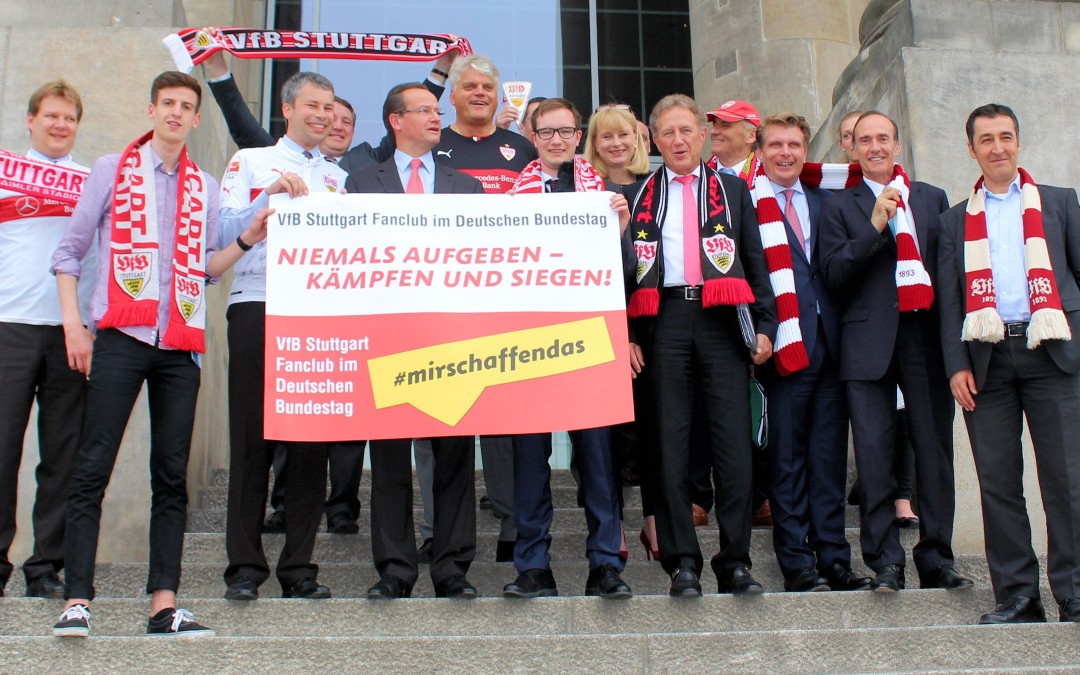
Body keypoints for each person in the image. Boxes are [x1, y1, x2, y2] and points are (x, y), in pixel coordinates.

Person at [50, 70, 266, 637]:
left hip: (180, 347)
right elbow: (69, 253)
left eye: (185, 105)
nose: (175, 112)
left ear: (197, 119)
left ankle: (162, 606)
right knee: (92, 466)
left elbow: (210, 265)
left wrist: (252, 233)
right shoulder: (110, 171)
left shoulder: (207, 186)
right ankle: (77, 599)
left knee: (171, 476)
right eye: (167, 103)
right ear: (151, 111)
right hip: (121, 337)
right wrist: (75, 325)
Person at [626, 94, 777, 597]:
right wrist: (626, 335)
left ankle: (734, 561)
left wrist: (765, 325)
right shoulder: (638, 194)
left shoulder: (732, 191)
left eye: (686, 130)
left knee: (733, 446)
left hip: (721, 319)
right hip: (663, 320)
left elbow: (756, 263)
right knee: (669, 446)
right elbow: (622, 276)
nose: (678, 140)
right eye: (667, 133)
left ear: (702, 135)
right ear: (654, 140)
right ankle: (681, 562)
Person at [818, 110, 972, 593]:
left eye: (883, 138)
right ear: (853, 150)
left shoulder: (931, 198)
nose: (876, 147)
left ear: (897, 145)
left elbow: (947, 272)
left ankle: (936, 558)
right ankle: (886, 560)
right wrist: (875, 225)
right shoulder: (838, 205)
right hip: (866, 346)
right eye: (865, 140)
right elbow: (834, 275)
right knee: (875, 457)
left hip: (925, 341)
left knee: (933, 454)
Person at [938, 104, 1080, 624]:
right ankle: (1018, 596)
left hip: (1054, 354)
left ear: (1018, 142)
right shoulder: (954, 221)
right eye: (986, 139)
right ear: (971, 149)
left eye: (1006, 137)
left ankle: (1075, 592)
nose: (998, 147)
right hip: (988, 362)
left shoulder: (1061, 204)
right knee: (998, 485)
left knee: (1067, 480)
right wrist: (956, 364)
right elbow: (951, 301)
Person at [344, 82, 484, 599]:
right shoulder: (360, 185)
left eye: (437, 110)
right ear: (395, 121)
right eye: (425, 110)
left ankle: (452, 570)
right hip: (386, 338)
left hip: (450, 338)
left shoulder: (467, 188)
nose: (437, 116)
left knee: (453, 459)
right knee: (389, 463)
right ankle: (396, 571)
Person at [216, 71, 346, 602]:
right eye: (313, 106)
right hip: (257, 305)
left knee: (311, 448)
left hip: (317, 317)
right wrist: (264, 198)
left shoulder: (339, 178)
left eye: (330, 108)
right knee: (252, 443)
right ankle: (245, 568)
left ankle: (299, 568)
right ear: (287, 109)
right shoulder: (250, 161)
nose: (323, 116)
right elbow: (221, 235)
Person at [501, 98, 631, 599]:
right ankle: (533, 566)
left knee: (598, 458)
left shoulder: (608, 194)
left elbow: (629, 274)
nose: (557, 139)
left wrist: (619, 232)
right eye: (547, 131)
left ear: (579, 136)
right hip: (530, 338)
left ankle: (605, 564)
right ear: (533, 137)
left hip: (589, 338)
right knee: (530, 458)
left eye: (566, 131)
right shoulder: (511, 198)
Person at [751, 113, 869, 593]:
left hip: (834, 346)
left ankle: (835, 558)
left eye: (794, 145)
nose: (785, 153)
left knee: (828, 459)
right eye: (776, 145)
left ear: (806, 150)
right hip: (782, 347)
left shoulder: (828, 201)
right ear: (760, 152)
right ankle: (796, 561)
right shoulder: (748, 203)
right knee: (788, 461)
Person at [434, 54, 539, 561]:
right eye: (469, 86)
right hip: (445, 295)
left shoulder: (521, 148)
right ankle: (441, 530)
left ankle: (512, 523)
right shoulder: (434, 146)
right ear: (452, 95)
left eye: (487, 87)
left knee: (503, 416)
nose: (479, 93)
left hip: (506, 295)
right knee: (444, 412)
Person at [0, 81, 95, 600]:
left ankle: (46, 569)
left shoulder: (90, 181)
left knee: (62, 456)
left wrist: (90, 326)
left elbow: (99, 260)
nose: (60, 125)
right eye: (52, 116)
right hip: (8, 326)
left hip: (70, 332)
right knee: (2, 452)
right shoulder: (6, 173)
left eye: (69, 118)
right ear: (31, 119)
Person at [706, 100, 760, 178]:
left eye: (725, 125)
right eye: (714, 124)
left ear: (750, 136)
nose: (714, 131)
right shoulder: (695, 176)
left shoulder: (771, 178)